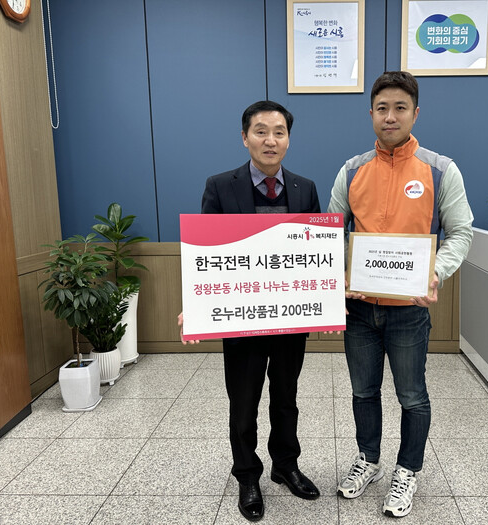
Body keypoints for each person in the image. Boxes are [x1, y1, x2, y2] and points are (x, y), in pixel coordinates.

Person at [327, 71, 473, 518]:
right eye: (382, 108)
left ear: (415, 113)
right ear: (371, 113)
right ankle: (368, 460)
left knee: (412, 396)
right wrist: (337, 275)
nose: (390, 117)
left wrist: (435, 273)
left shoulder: (440, 169)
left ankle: (407, 470)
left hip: (409, 311)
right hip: (359, 311)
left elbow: (461, 233)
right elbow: (330, 233)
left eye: (400, 108)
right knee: (363, 391)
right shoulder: (352, 170)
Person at [178, 100, 321, 522]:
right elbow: (207, 254)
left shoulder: (305, 188)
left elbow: (316, 254)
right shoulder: (221, 186)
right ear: (245, 138)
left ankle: (285, 465)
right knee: (243, 403)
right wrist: (197, 307)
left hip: (290, 317)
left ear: (288, 139)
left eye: (279, 132)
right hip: (242, 319)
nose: (270, 140)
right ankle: (247, 475)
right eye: (261, 131)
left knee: (286, 397)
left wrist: (327, 304)